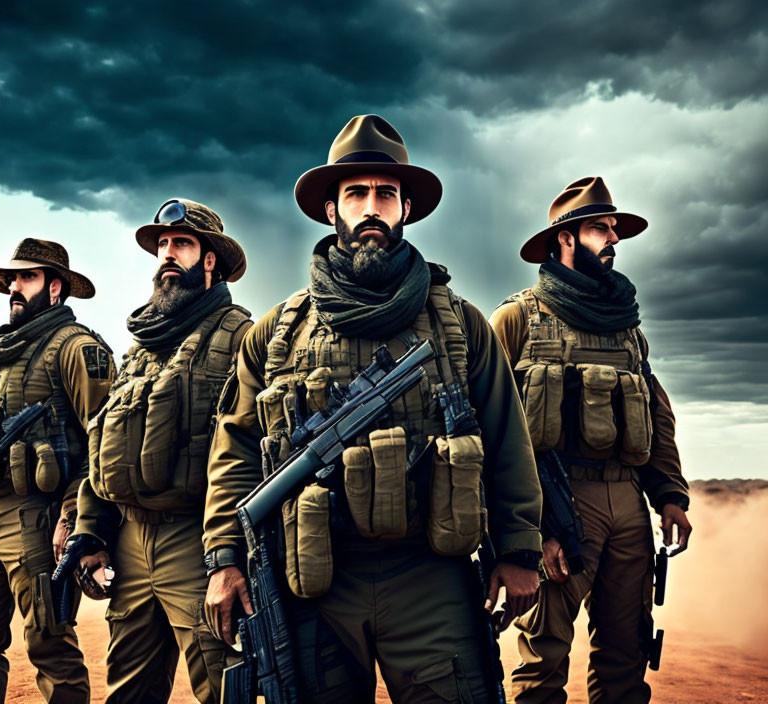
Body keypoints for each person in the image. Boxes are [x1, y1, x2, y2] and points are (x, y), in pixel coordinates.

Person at [203, 114, 542, 703]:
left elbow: (508, 439)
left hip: (430, 573)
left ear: (405, 208)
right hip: (314, 577)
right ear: (331, 209)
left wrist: (518, 550)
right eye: (355, 193)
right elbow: (234, 450)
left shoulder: (460, 325)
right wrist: (225, 557)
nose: (370, 208)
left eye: (385, 194)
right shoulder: (276, 334)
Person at [489, 176, 693, 704]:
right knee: (543, 662)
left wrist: (670, 495)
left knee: (626, 658)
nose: (613, 239)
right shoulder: (517, 320)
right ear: (565, 238)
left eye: (614, 229)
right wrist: (527, 532)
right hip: (558, 509)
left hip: (628, 504)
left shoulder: (627, 328)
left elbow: (654, 416)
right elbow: (490, 432)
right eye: (600, 228)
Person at [59, 199, 253, 703]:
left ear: (210, 260)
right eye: (163, 245)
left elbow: (250, 453)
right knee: (128, 690)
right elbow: (104, 448)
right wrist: (90, 531)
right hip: (129, 539)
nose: (167, 255)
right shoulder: (139, 350)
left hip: (197, 542)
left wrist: (229, 555)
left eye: (182, 244)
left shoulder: (242, 338)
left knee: (222, 683)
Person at [0, 238, 114, 703]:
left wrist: (73, 518)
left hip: (37, 521)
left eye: (27, 278)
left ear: (55, 287)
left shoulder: (75, 348)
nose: (14, 288)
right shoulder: (2, 357)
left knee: (51, 649)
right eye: (12, 280)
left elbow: (104, 441)